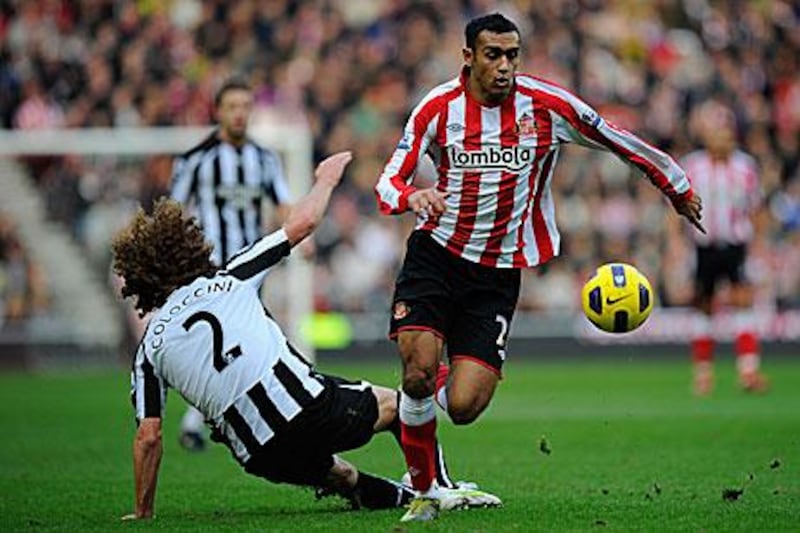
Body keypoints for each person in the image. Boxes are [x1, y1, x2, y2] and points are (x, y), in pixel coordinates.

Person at [374, 13, 705, 522]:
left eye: (512, 55)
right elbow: (388, 181)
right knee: (415, 372)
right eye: (492, 55)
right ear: (468, 56)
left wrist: (676, 187)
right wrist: (412, 195)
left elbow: (615, 137)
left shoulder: (547, 106)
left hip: (499, 271)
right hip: (435, 255)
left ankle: (431, 384)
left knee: (463, 406)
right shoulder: (437, 108)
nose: (504, 66)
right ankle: (425, 488)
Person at [113, 152, 499, 520]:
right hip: (304, 408)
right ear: (185, 248)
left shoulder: (149, 348)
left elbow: (149, 435)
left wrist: (143, 510)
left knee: (343, 477)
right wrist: (326, 180)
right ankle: (440, 488)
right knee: (402, 408)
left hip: (257, 453)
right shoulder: (229, 278)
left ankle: (400, 496)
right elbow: (302, 225)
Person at [170, 76, 294, 451]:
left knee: (246, 343)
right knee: (221, 344)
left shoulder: (265, 159)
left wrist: (297, 238)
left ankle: (206, 420)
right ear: (218, 111)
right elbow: (173, 212)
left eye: (245, 107)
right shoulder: (196, 159)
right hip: (209, 266)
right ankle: (207, 420)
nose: (240, 114)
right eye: (232, 107)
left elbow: (283, 204)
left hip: (253, 267)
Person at [680, 101, 767, 395]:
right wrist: (676, 245)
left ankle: (748, 371)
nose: (723, 141)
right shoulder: (694, 165)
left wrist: (758, 246)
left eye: (727, 136)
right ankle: (703, 375)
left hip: (735, 244)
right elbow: (675, 208)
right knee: (703, 306)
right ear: (707, 138)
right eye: (718, 135)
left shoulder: (746, 167)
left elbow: (756, 209)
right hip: (704, 246)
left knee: (742, 301)